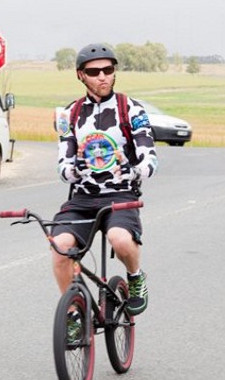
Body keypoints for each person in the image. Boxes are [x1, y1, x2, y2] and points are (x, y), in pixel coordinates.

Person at [51, 43, 158, 315]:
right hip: (83, 198)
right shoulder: (69, 114)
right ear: (80, 75)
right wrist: (75, 168)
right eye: (94, 71)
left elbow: (149, 158)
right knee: (60, 247)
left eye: (108, 70)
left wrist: (132, 170)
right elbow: (63, 167)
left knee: (120, 239)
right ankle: (73, 314)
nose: (102, 76)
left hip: (121, 196)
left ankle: (135, 277)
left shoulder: (131, 109)